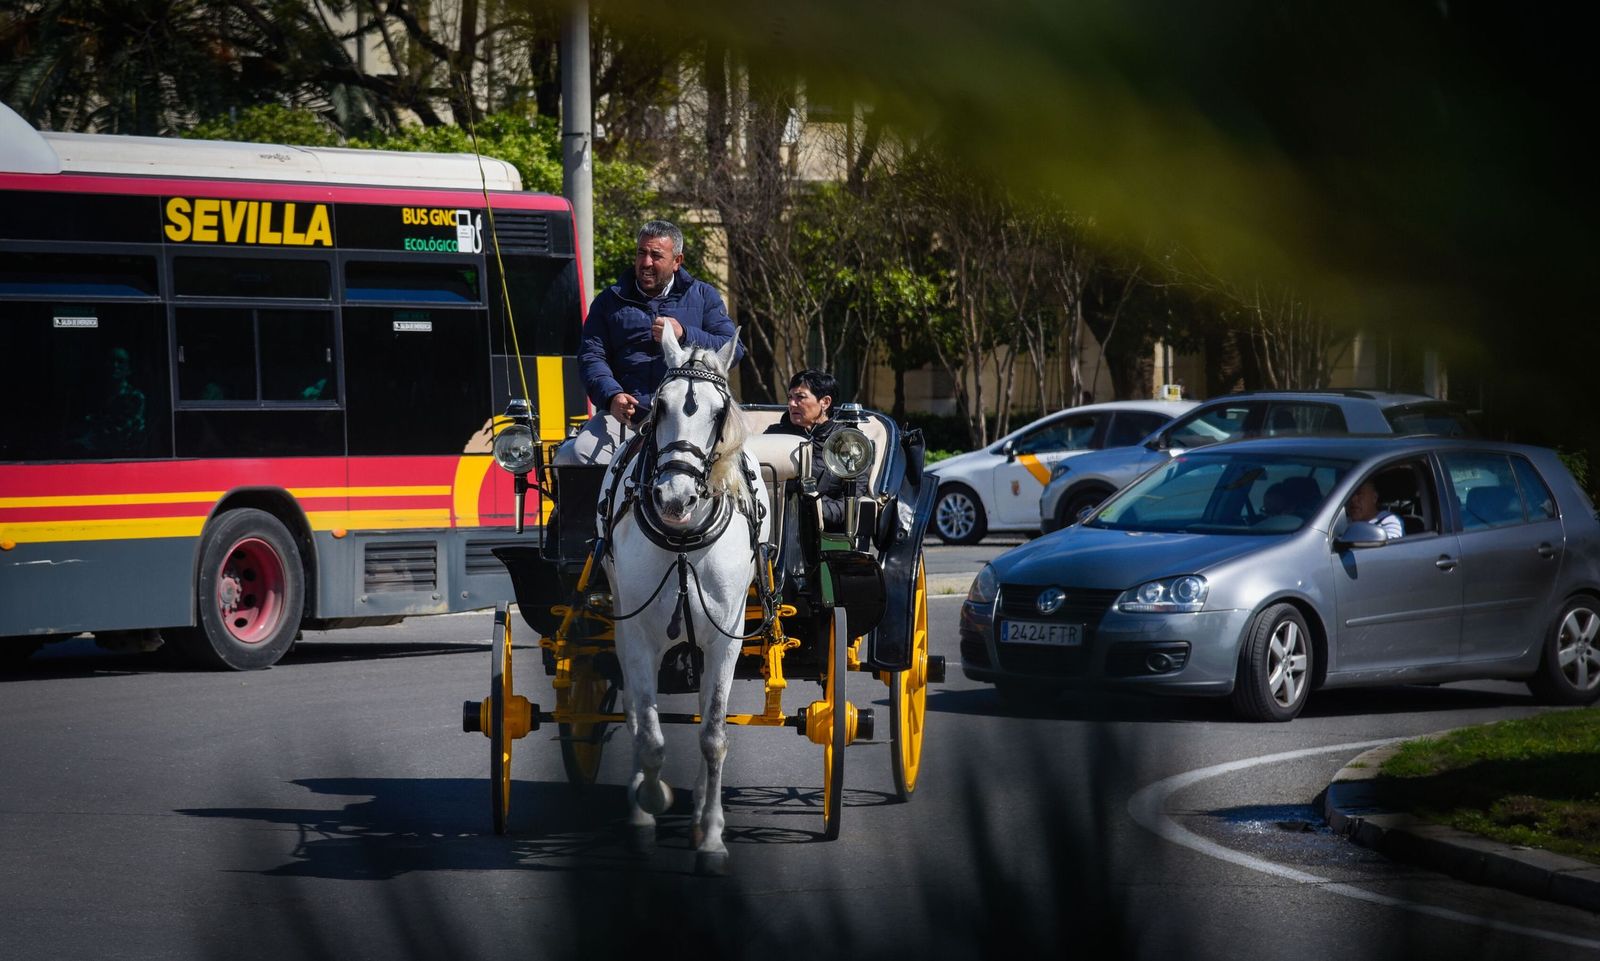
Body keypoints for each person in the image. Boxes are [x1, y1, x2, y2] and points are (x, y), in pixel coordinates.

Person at [556, 220, 740, 466]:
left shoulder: (704, 296)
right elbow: (592, 356)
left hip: (688, 419)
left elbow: (733, 349)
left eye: (656, 255)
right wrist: (612, 396)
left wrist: (684, 333)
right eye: (641, 253)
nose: (646, 263)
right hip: (627, 418)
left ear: (677, 261)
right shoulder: (608, 301)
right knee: (578, 453)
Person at [765, 368, 868, 532]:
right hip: (775, 525)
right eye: (790, 397)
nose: (792, 404)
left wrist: (817, 510)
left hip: (825, 531)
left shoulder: (850, 442)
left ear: (825, 402)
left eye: (800, 397)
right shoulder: (773, 436)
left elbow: (852, 498)